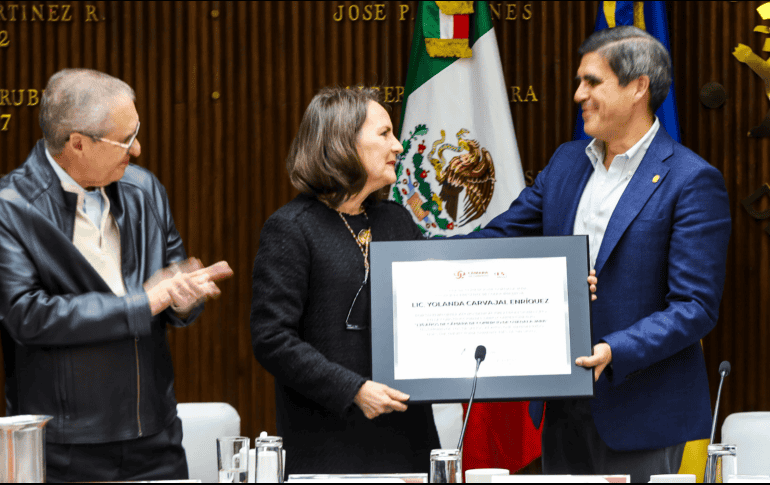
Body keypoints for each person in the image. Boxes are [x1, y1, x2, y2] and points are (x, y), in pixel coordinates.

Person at [462, 27, 731, 482]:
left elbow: (695, 307)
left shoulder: (691, 180)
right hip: (562, 403)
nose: (577, 94)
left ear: (638, 86)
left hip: (641, 411)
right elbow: (501, 239)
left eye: (592, 82)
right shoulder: (567, 162)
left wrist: (613, 349)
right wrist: (416, 264)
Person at [0, 69, 233, 483]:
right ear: (77, 143)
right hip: (67, 447)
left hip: (156, 436)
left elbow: (168, 286)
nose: (138, 148)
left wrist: (183, 296)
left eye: (136, 132)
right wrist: (142, 304)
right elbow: (26, 314)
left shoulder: (145, 190)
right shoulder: (11, 208)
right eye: (125, 139)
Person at [250, 87, 440, 476]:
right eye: (384, 134)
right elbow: (272, 338)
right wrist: (352, 388)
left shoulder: (396, 220)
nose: (399, 147)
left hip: (408, 438)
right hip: (329, 443)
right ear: (343, 142)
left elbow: (438, 298)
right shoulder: (290, 229)